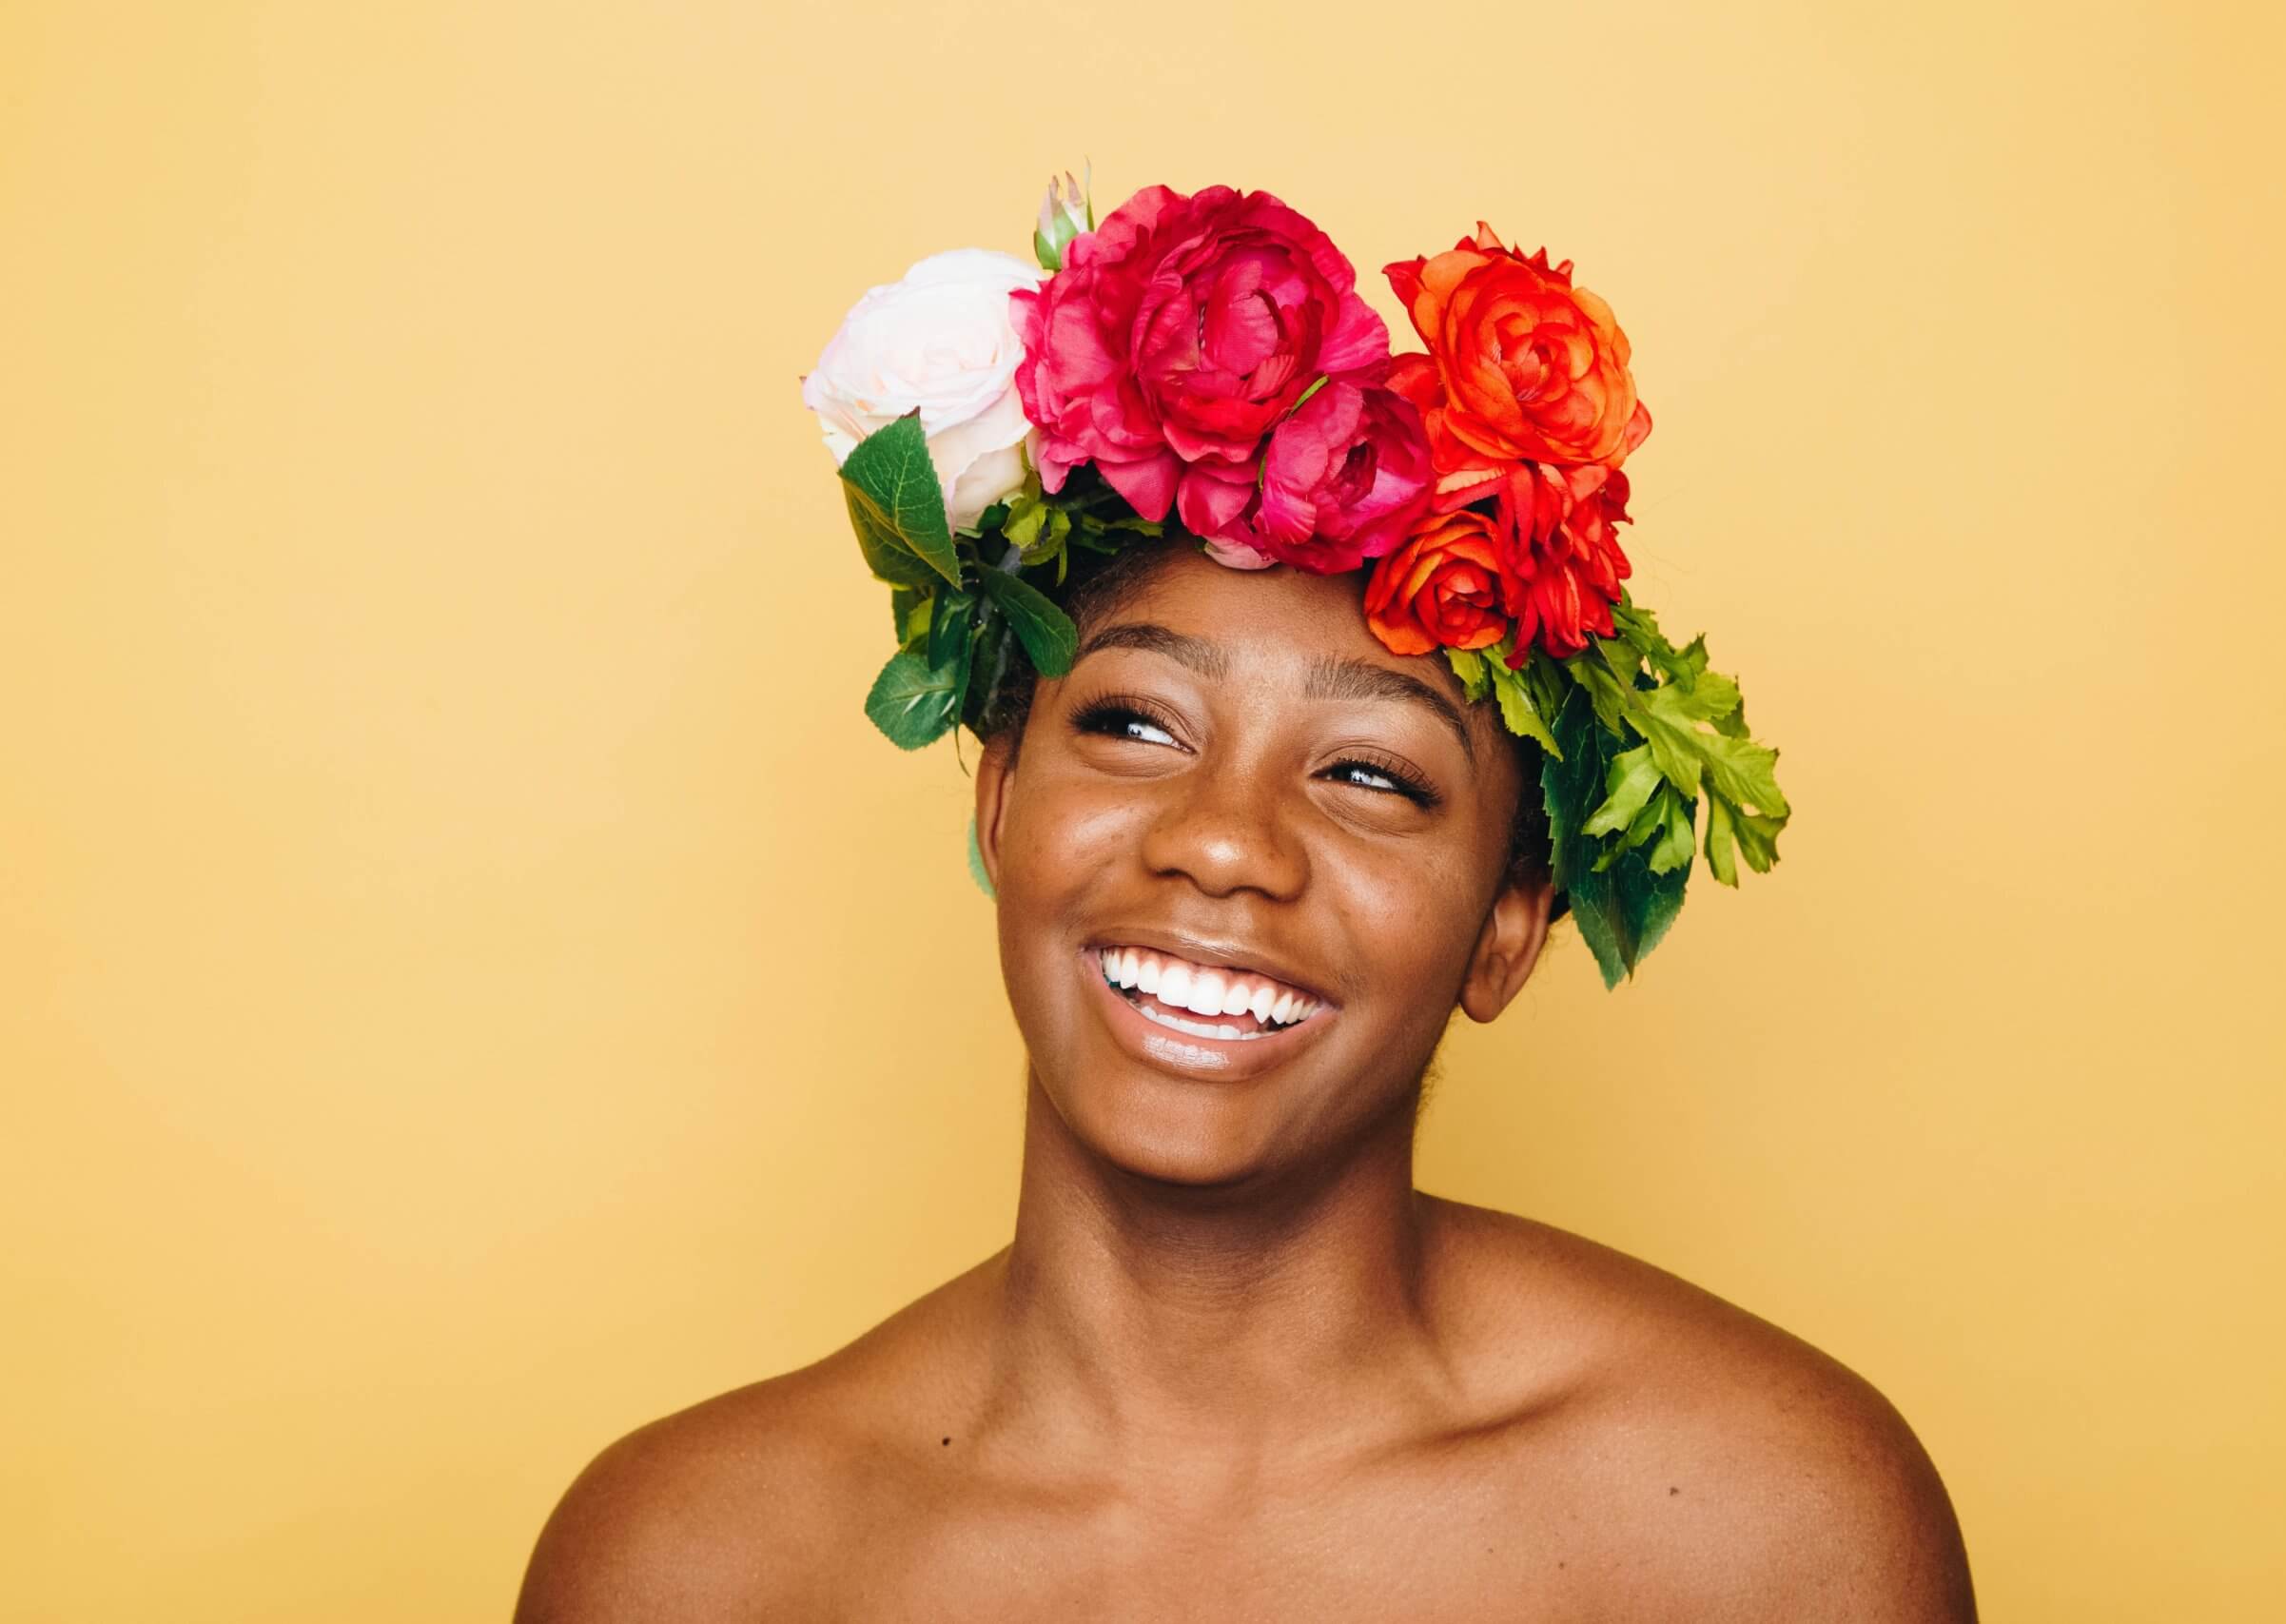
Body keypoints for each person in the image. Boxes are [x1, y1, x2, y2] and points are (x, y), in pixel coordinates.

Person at [515, 178, 1976, 1620]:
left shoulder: (1765, 1527)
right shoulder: (689, 1566)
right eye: (1139, 726)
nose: (1224, 845)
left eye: (1371, 776)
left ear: (1509, 926)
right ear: (1001, 797)